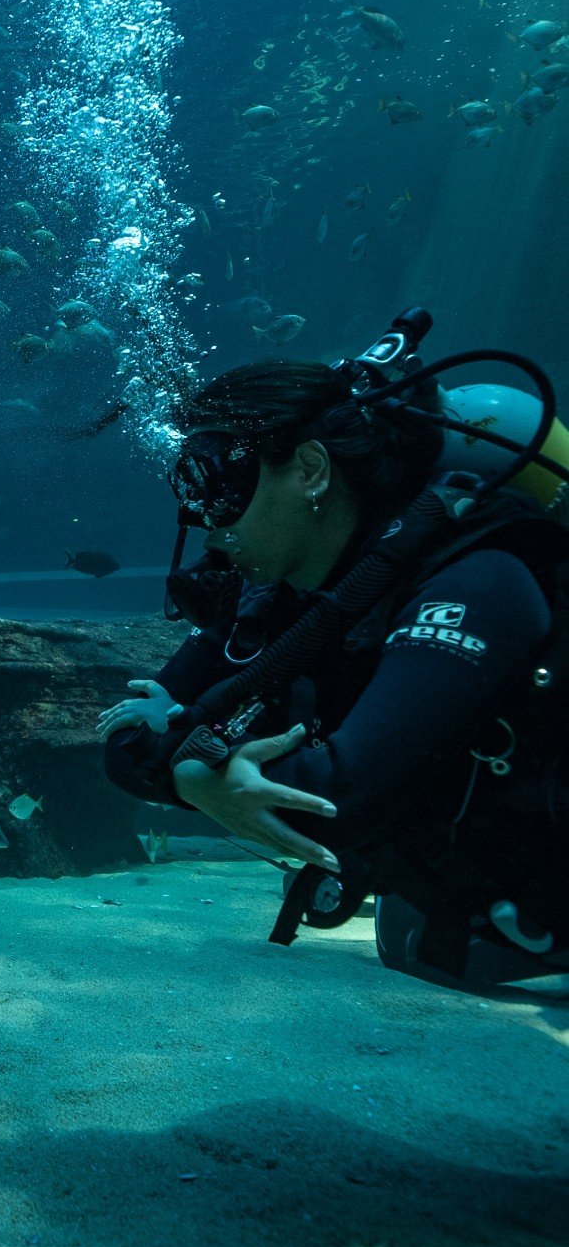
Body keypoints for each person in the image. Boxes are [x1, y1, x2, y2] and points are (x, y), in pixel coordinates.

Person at [100, 350, 569, 990]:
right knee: (412, 947)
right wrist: (200, 773)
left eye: (220, 483)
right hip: (458, 900)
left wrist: (188, 764)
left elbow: (340, 794)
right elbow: (126, 744)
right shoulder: (275, 597)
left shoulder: (477, 581)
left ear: (311, 470)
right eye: (192, 491)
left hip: (534, 891)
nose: (206, 523)